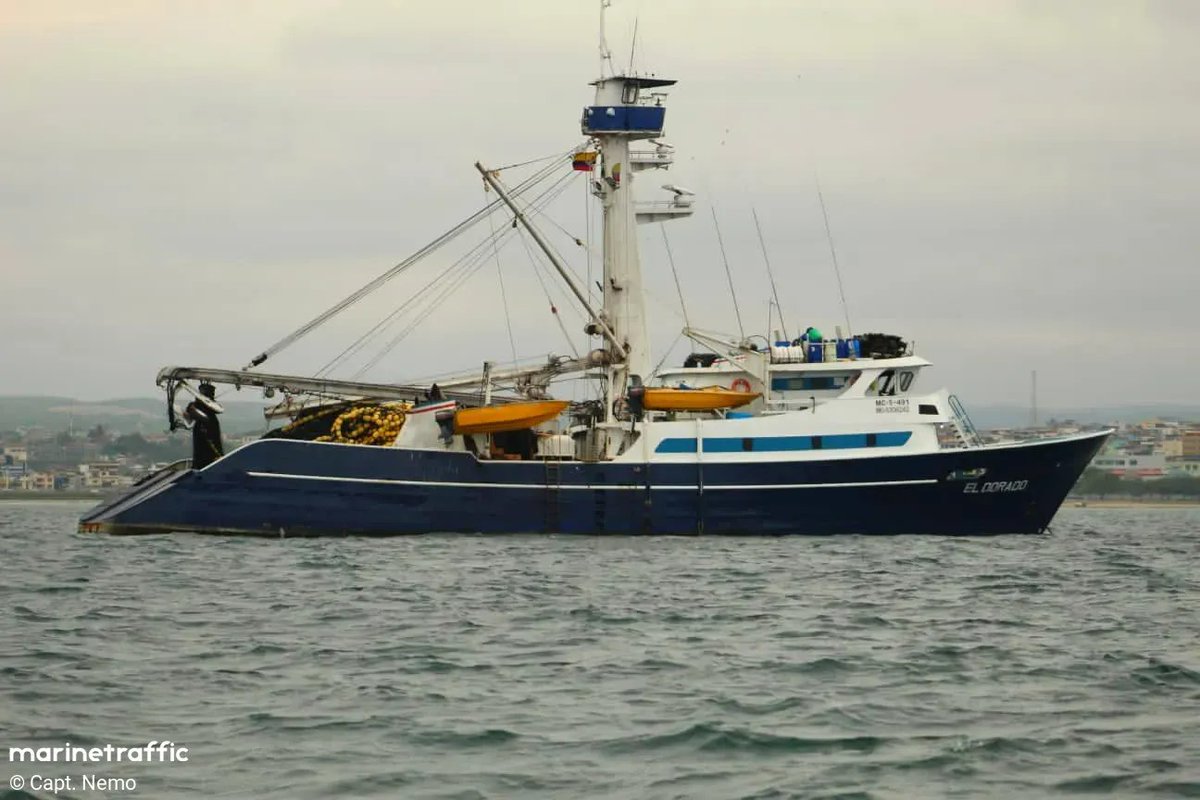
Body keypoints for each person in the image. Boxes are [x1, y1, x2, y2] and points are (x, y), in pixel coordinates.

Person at [185, 382, 224, 469]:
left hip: (207, 460)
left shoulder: (207, 415)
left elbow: (194, 414)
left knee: (205, 457)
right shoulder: (204, 411)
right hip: (204, 458)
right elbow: (190, 413)